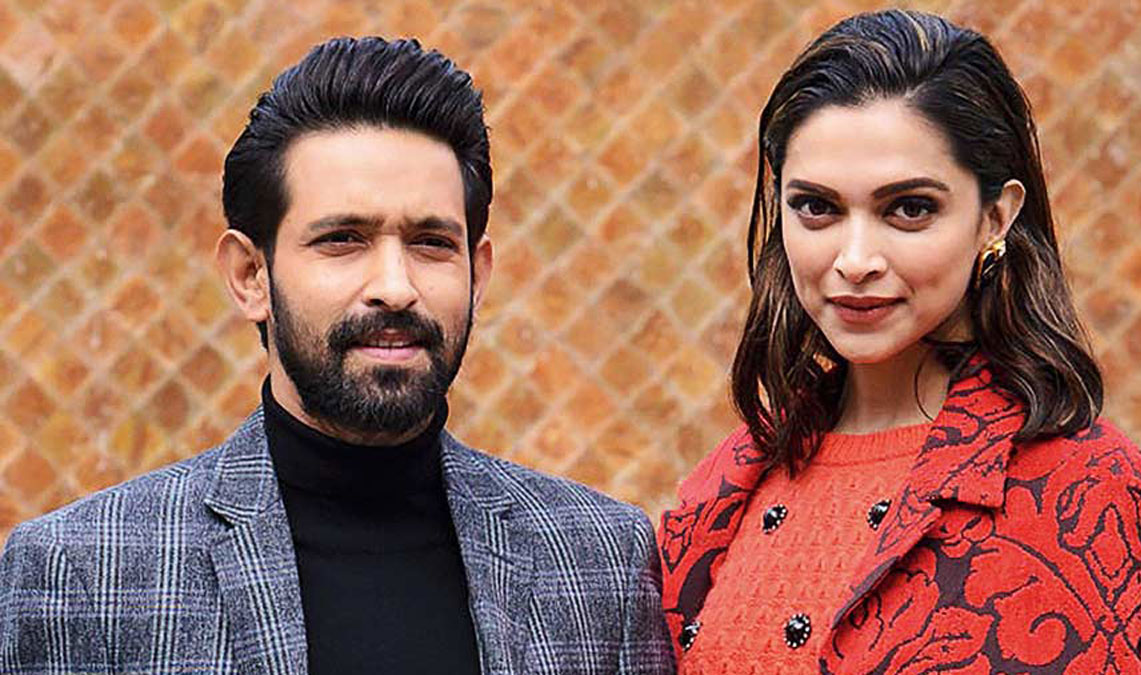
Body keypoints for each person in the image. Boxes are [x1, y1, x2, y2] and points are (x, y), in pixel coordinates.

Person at [0, 37, 674, 674]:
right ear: (250, 276)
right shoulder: (79, 571)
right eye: (343, 239)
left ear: (478, 274)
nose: (395, 286)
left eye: (432, 243)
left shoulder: (600, 559)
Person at [658, 9, 1141, 674]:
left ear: (995, 216)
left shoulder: (1089, 495)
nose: (856, 259)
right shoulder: (729, 482)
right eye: (817, 207)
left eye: (909, 209)